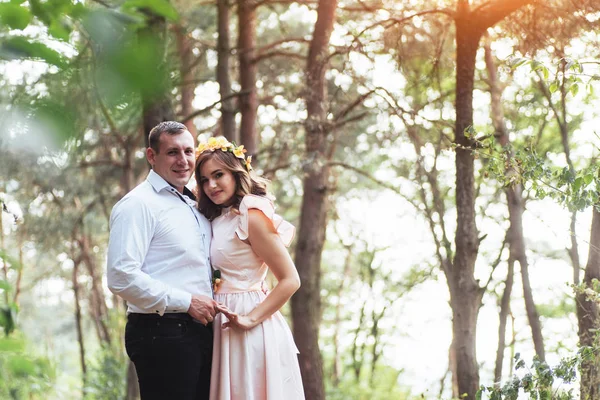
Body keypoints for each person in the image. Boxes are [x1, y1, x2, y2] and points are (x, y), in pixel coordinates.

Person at [107, 121, 218, 400]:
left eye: (189, 151)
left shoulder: (195, 206)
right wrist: (187, 301)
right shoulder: (138, 205)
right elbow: (121, 275)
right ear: (151, 156)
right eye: (172, 152)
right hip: (162, 333)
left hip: (201, 333)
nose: (183, 161)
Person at [194, 136, 305, 400]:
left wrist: (250, 319)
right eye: (204, 180)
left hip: (249, 322)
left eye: (218, 175)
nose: (211, 185)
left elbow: (290, 279)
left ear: (235, 172)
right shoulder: (218, 218)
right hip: (222, 322)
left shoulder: (251, 215)